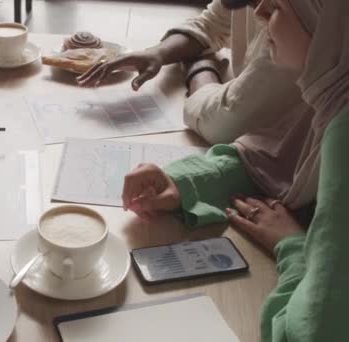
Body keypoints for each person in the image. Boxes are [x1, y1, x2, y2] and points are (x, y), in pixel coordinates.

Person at [122, 0, 349, 340]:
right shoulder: (333, 87)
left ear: (328, 24)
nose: (259, 13)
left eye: (278, 6)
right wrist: (184, 183)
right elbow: (277, 158)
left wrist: (292, 248)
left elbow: (311, 333)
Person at [77, 0, 313, 145]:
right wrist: (159, 53)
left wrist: (200, 67)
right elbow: (210, 23)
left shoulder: (301, 25)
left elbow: (224, 123)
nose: (262, 11)